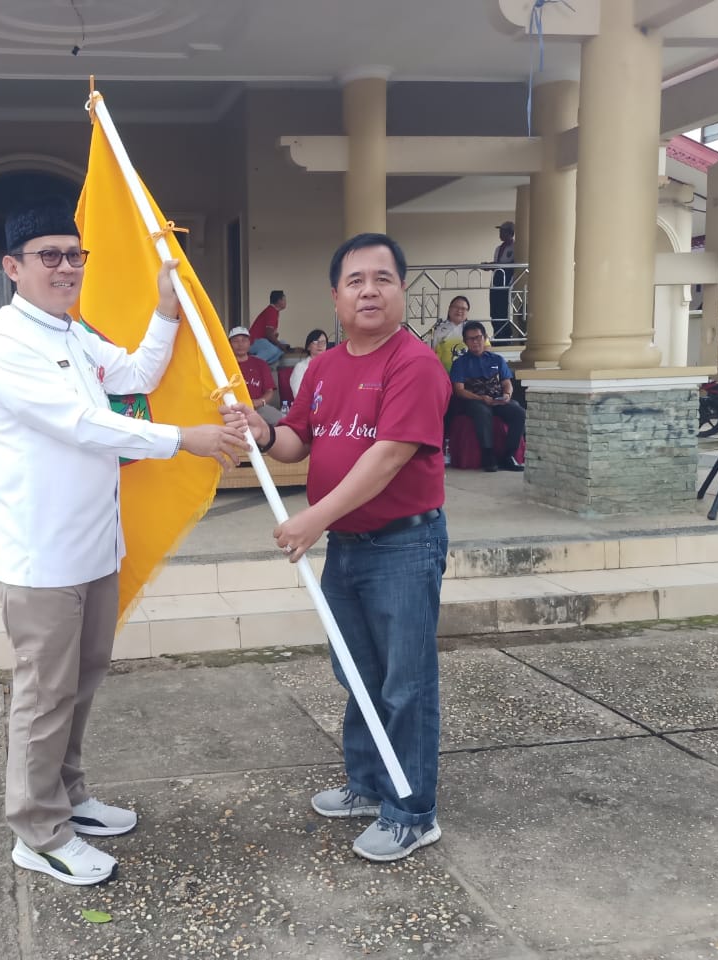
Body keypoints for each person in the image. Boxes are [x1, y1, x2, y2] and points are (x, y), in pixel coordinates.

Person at [0, 200, 247, 887]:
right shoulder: (5, 341)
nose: (66, 268)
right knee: (43, 695)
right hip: (42, 557)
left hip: (95, 545)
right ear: (13, 268)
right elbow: (83, 423)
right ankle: (36, 831)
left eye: (75, 255)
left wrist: (165, 311)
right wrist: (186, 439)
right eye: (50, 256)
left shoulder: (72, 333)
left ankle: (68, 795)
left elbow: (133, 376)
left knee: (82, 682)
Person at [225, 232, 450, 863]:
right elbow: (297, 438)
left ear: (401, 289)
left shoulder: (414, 365)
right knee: (357, 674)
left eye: (382, 278)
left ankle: (411, 811)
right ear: (335, 296)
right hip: (349, 548)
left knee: (407, 682)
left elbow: (386, 459)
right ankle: (368, 784)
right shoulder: (319, 368)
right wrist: (262, 429)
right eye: (356, 281)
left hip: (403, 546)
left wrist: (311, 520)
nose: (369, 290)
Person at [449, 320, 525, 472]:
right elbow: (459, 390)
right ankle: (487, 454)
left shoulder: (497, 360)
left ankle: (508, 456)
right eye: (471, 339)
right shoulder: (460, 363)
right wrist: (481, 398)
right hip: (472, 401)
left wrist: (507, 395)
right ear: (465, 342)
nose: (475, 342)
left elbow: (506, 382)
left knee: (518, 412)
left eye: (478, 337)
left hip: (496, 399)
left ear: (484, 337)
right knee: (482, 411)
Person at [229, 326, 280, 426]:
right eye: (235, 341)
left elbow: (269, 391)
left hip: (258, 408)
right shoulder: (223, 364)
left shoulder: (260, 364)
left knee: (283, 421)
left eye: (244, 340)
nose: (240, 344)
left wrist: (260, 402)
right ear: (229, 344)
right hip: (231, 409)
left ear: (249, 343)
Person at [428, 296, 492, 373]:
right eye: (456, 307)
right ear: (449, 308)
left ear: (467, 312)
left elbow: (486, 347)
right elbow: (430, 352)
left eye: (463, 309)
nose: (459, 311)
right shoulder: (438, 329)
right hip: (445, 374)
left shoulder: (475, 328)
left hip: (471, 375)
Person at [488, 221, 516, 340]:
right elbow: (498, 264)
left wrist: (493, 265)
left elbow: (510, 264)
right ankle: (497, 334)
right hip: (496, 280)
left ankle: (505, 335)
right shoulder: (498, 248)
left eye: (503, 231)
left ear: (510, 233)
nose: (500, 233)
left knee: (502, 309)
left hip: (506, 280)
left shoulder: (515, 247)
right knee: (494, 310)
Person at [248, 289, 290, 364]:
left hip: (262, 341)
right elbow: (268, 334)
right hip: (253, 342)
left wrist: (278, 341)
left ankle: (264, 365)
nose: (285, 302)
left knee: (283, 343)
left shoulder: (274, 311)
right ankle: (250, 364)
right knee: (273, 349)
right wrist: (279, 344)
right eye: (284, 300)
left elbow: (270, 334)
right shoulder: (271, 311)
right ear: (279, 301)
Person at [290, 328, 330, 399]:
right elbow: (298, 394)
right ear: (308, 347)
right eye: (316, 341)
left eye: (323, 342)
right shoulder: (301, 367)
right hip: (308, 407)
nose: (320, 345)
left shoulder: (331, 366)